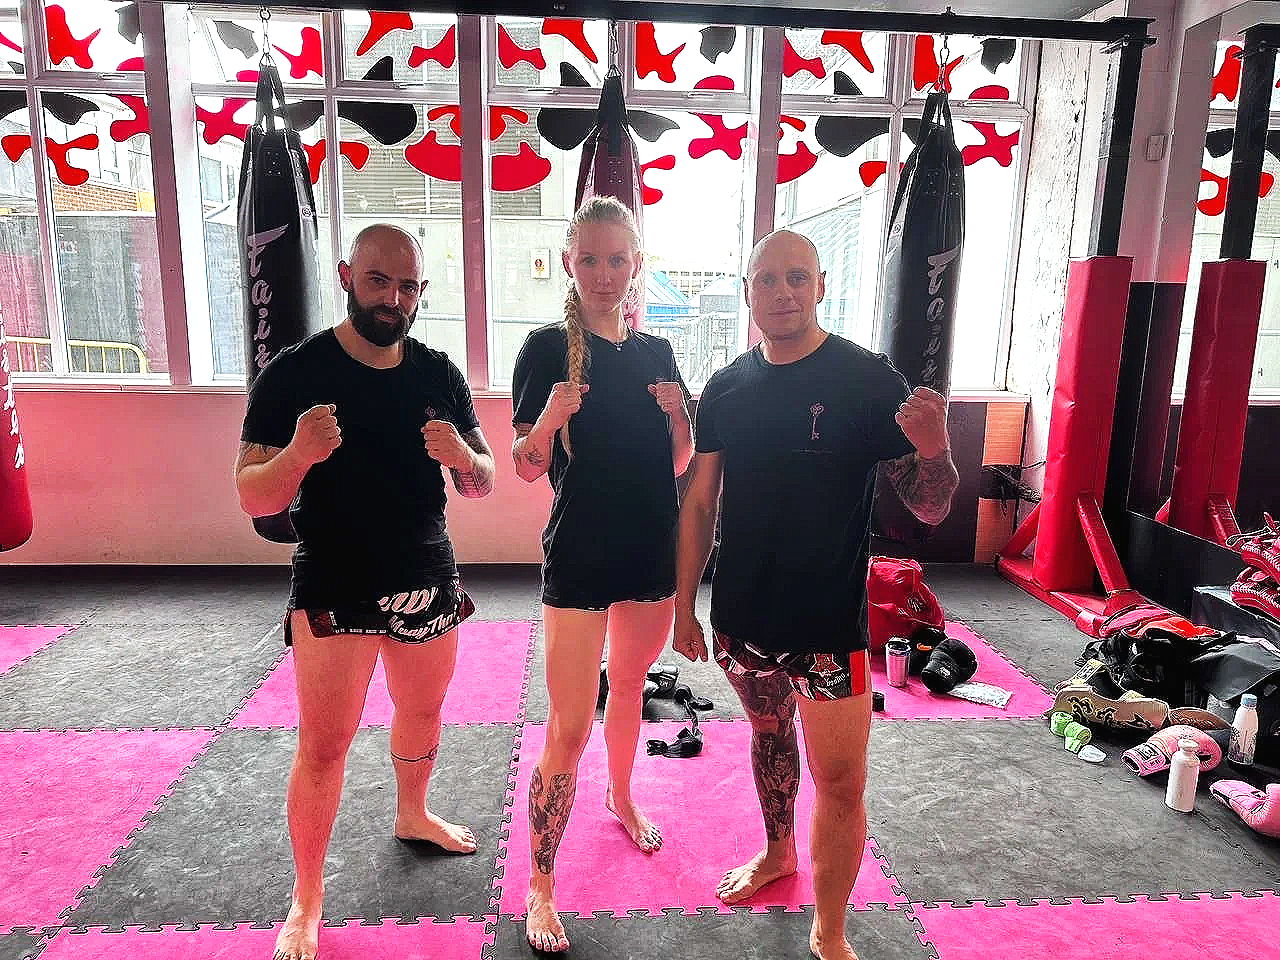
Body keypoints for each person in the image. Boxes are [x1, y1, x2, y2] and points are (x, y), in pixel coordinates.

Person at [673, 229, 958, 960]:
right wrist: (683, 607)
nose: (783, 293)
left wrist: (935, 450)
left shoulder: (868, 379)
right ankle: (778, 854)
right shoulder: (729, 387)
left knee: (840, 778)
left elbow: (929, 507)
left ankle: (829, 930)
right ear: (747, 294)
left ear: (822, 284)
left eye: (797, 277)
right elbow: (701, 503)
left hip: (830, 624)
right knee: (769, 739)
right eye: (766, 280)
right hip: (742, 617)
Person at [235, 224, 496, 960]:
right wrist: (297, 454)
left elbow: (484, 482)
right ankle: (306, 898)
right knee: (325, 741)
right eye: (380, 281)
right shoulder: (294, 372)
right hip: (334, 578)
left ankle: (413, 812)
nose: (395, 299)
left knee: (421, 709)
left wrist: (464, 456)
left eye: (409, 286)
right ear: (348, 274)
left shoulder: (439, 373)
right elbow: (251, 497)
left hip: (424, 571)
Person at [510, 196, 694, 953]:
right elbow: (524, 467)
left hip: (649, 552)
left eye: (618, 259)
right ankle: (540, 886)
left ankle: (621, 796)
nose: (605, 274)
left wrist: (680, 416)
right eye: (590, 259)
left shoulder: (658, 355)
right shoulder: (545, 347)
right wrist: (550, 419)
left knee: (630, 686)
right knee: (568, 722)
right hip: (581, 554)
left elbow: (678, 464)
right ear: (568, 263)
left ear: (637, 265)